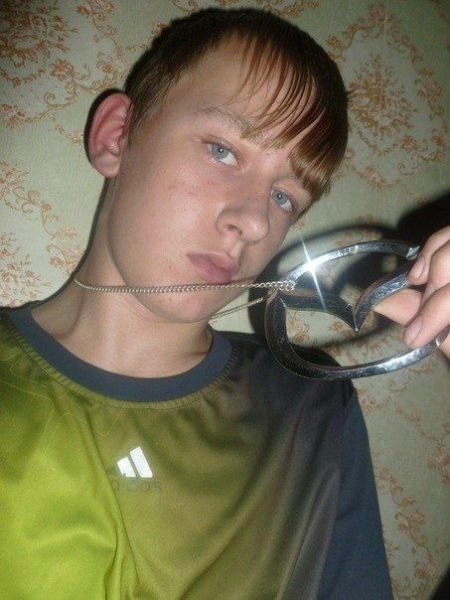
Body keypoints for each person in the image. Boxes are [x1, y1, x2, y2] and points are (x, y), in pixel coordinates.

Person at [0, 7, 448, 599]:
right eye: (222, 150)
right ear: (117, 136)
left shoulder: (312, 415)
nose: (254, 221)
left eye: (285, 197)